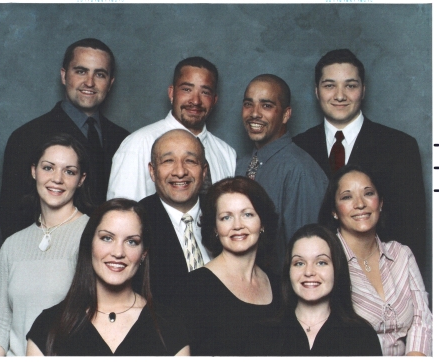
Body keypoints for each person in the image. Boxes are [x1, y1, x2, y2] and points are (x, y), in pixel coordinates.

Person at [293, 49, 426, 270]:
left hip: (380, 282)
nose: (339, 95)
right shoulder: (298, 146)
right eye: (329, 85)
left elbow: (413, 232)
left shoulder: (399, 147)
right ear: (317, 91)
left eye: (350, 85)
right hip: (312, 281)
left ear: (363, 90)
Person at [0, 38, 130, 241]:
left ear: (110, 83)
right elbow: (12, 220)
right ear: (63, 75)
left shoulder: (125, 140)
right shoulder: (27, 136)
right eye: (80, 71)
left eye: (100, 74)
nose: (89, 82)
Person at [25, 198, 190, 356]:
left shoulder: (170, 326)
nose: (118, 252)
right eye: (107, 238)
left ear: (143, 253)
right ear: (90, 244)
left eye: (131, 241)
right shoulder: (48, 325)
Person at [0, 134, 91, 356]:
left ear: (81, 179)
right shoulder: (11, 245)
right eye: (48, 168)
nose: (57, 178)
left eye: (69, 171)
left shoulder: (93, 236)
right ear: (34, 171)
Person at [318, 165, 432, 356]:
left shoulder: (401, 254)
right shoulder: (325, 260)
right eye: (347, 197)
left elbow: (422, 320)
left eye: (368, 193)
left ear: (380, 203)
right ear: (334, 211)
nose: (360, 204)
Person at [172, 176, 280, 356]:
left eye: (247, 214)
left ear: (262, 223)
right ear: (215, 228)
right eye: (226, 217)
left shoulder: (278, 285)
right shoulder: (192, 288)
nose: (237, 225)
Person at [107, 56, 236, 201]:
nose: (195, 101)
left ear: (214, 100)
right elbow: (120, 215)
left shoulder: (227, 153)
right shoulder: (139, 144)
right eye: (187, 89)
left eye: (205, 92)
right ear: (171, 93)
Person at [235, 74, 328, 273]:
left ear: (286, 115)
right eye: (248, 104)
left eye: (266, 106)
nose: (254, 114)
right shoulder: (242, 164)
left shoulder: (300, 170)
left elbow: (304, 253)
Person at [250, 223, 382, 356]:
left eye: (321, 262)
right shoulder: (264, 333)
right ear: (288, 271)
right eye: (299, 263)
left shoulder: (362, 335)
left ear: (336, 269)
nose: (309, 272)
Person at [137, 129, 212, 305]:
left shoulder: (222, 214)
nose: (180, 171)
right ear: (153, 171)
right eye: (168, 161)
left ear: (204, 171)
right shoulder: (137, 221)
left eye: (190, 161)